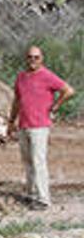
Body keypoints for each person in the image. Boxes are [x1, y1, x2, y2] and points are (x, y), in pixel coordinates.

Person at [7, 46, 75, 209]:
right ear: (26, 58)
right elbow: (17, 101)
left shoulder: (47, 76)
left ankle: (43, 199)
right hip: (24, 124)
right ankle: (31, 194)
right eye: (30, 57)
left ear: (42, 59)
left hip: (39, 125)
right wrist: (11, 121)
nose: (33, 60)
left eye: (36, 57)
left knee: (38, 161)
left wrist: (56, 106)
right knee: (28, 161)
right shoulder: (21, 77)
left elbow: (68, 90)